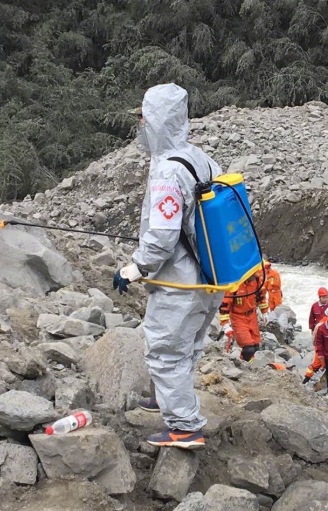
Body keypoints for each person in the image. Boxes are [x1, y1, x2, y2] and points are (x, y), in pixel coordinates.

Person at [112, 83, 223, 450]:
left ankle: (184, 427)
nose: (140, 126)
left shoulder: (165, 173)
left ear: (155, 121)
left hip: (180, 282)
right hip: (212, 276)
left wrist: (133, 268)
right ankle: (167, 396)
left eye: (142, 119)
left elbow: (161, 237)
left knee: (164, 350)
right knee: (187, 345)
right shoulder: (201, 159)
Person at [219, 270, 268, 362]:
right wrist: (225, 324)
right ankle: (245, 363)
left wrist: (264, 312)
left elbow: (261, 297)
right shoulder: (234, 284)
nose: (254, 277)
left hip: (252, 315)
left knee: (256, 345)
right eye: (252, 276)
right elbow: (225, 304)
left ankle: (248, 361)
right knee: (249, 347)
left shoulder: (257, 280)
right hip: (238, 317)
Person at [302, 306, 328, 384]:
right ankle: (306, 380)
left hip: (324, 348)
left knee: (321, 365)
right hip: (323, 348)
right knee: (318, 365)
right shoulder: (323, 325)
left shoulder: (324, 324)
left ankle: (307, 380)